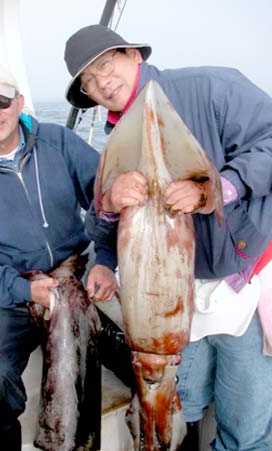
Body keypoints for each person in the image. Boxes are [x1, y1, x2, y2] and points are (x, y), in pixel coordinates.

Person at [63, 24, 272, 451]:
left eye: (107, 64)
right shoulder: (114, 143)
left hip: (244, 275)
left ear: (134, 55)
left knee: (245, 415)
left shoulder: (211, 88)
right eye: (88, 80)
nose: (102, 82)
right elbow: (106, 226)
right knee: (179, 401)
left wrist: (215, 188)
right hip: (180, 295)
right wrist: (106, 219)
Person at [0, 63, 134, 451]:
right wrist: (26, 291)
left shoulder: (60, 143)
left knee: (142, 358)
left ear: (19, 103)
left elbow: (107, 200)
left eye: (1, 100)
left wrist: (104, 261)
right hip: (9, 293)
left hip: (77, 278)